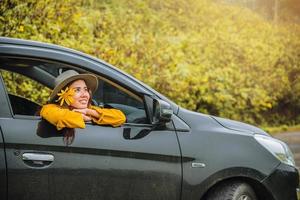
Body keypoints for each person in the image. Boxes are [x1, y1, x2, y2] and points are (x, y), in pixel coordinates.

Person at [40, 70, 126, 131]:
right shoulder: (49, 108)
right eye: (77, 90)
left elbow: (120, 118)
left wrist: (89, 112)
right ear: (63, 94)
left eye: (85, 89)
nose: (85, 95)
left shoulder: (89, 109)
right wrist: (83, 117)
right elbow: (60, 117)